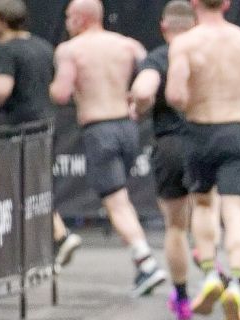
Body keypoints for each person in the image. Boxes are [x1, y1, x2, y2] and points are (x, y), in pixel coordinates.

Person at [166, 0, 240, 320]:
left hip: (200, 131)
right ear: (227, 4)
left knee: (202, 204)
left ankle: (212, 273)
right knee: (236, 212)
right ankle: (237, 283)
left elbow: (175, 95)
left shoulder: (185, 43)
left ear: (194, 3)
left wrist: (197, 101)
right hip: (235, 129)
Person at [50, 0, 167, 297]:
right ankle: (144, 263)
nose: (65, 22)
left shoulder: (71, 50)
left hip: (98, 128)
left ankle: (146, 262)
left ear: (79, 19)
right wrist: (134, 103)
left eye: (68, 17)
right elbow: (151, 75)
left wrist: (50, 86)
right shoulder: (127, 46)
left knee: (116, 202)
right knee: (121, 199)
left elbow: (61, 93)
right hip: (128, 129)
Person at [0, 0, 83, 272]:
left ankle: (53, 241)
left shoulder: (5, 51)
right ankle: (55, 241)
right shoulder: (43, 47)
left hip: (17, 131)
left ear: (3, 20)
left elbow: (2, 89)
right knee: (35, 188)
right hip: (44, 126)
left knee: (15, 190)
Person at [130, 0, 196, 320]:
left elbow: (144, 92)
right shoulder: (204, 52)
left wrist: (138, 106)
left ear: (164, 27)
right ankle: (213, 267)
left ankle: (182, 299)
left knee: (175, 227)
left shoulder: (159, 56)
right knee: (208, 211)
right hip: (205, 138)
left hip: (170, 143)